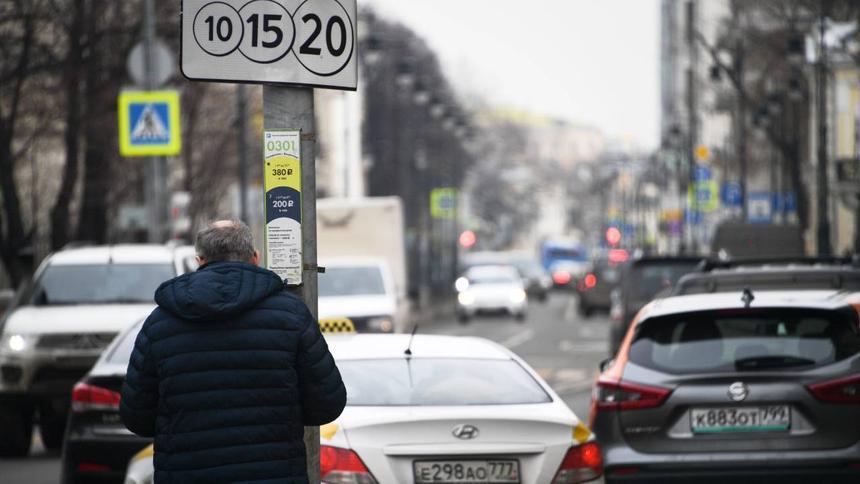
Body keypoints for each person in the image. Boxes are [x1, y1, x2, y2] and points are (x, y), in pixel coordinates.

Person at [120, 220, 346, 483]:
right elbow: (327, 404)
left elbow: (137, 417)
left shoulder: (160, 324)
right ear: (255, 258)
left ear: (200, 260)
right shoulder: (291, 315)